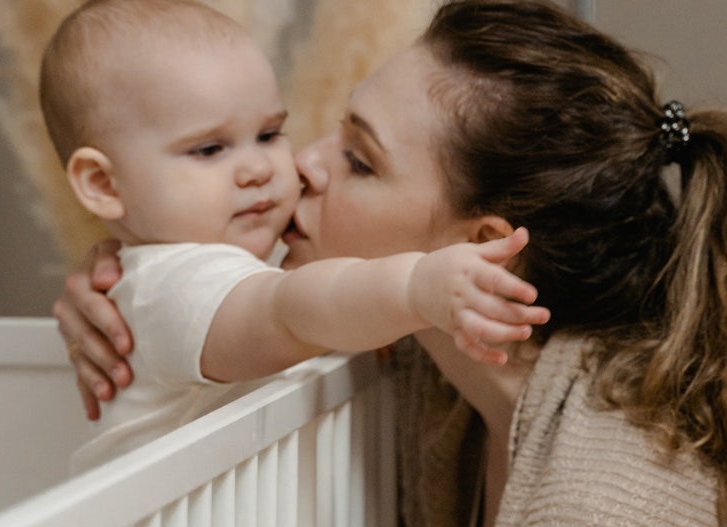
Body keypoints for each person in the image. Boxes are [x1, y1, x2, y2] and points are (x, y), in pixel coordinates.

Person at [54, 0, 727, 527]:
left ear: (477, 253)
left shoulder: (602, 523)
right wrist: (135, 268)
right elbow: (268, 309)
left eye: (359, 159)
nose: (299, 166)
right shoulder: (441, 377)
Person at [39, 0, 549, 471]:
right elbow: (291, 308)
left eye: (267, 134)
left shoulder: (255, 260)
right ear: (104, 185)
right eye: (210, 149)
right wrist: (414, 286)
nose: (260, 168)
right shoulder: (170, 288)